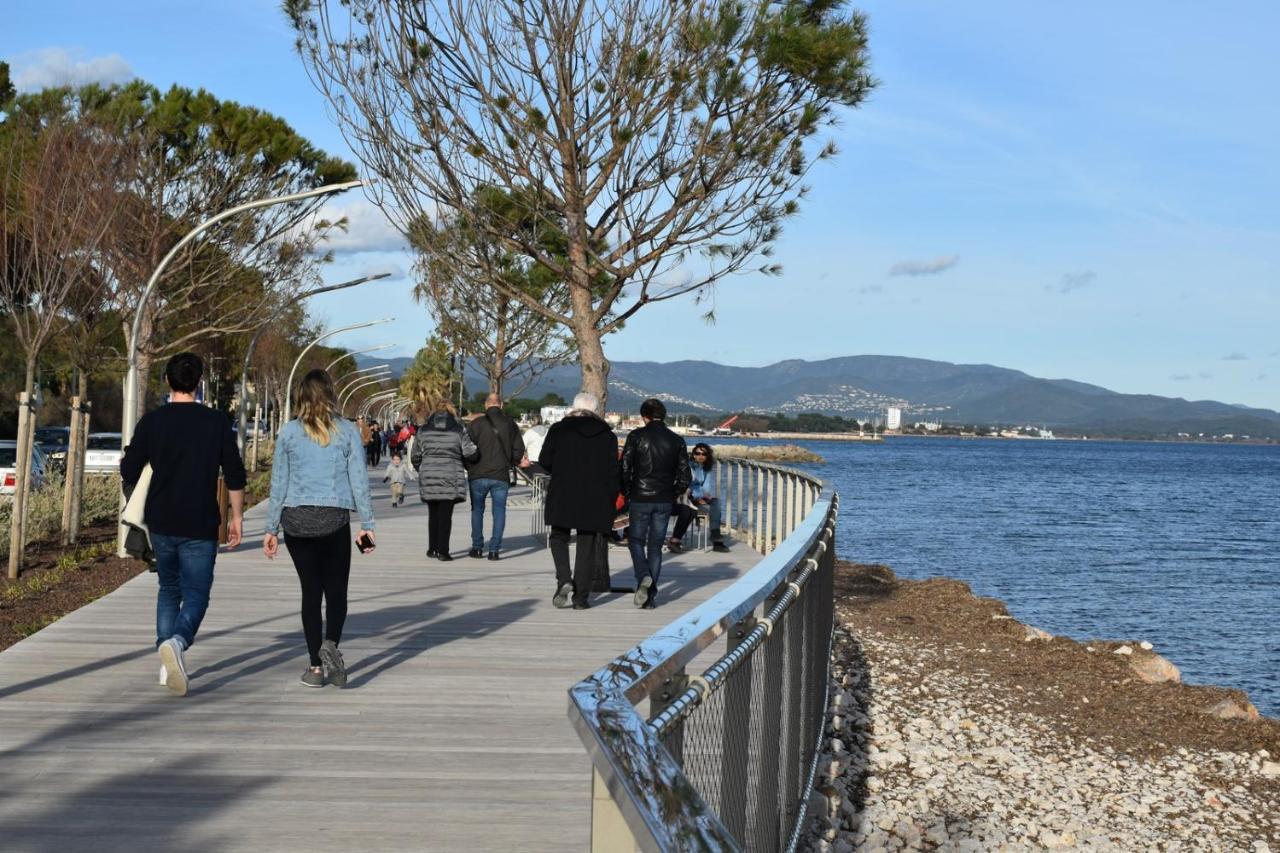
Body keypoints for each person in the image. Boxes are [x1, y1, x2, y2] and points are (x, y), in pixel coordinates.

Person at [120, 352, 246, 697]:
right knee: (197, 595)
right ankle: (177, 642)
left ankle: (166, 663)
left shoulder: (153, 421)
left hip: (161, 520)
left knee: (168, 589)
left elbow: (129, 471)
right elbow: (234, 474)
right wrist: (237, 517)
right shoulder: (217, 422)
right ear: (199, 383)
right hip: (200, 521)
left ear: (167, 381)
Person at [263, 370, 376, 688]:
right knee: (336, 591)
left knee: (310, 593)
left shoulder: (288, 433)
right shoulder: (347, 431)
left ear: (300, 396)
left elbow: (279, 484)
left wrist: (270, 528)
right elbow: (359, 480)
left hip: (296, 522)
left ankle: (315, 667)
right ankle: (331, 645)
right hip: (333, 520)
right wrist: (367, 524)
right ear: (330, 395)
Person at [539, 392, 618, 609]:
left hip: (563, 491)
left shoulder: (558, 430)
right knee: (588, 543)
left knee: (558, 536)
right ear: (596, 410)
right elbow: (613, 471)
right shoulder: (607, 435)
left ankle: (564, 578)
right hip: (595, 496)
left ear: (573, 407)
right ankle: (581, 598)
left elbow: (545, 461)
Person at [620, 398, 690, 609]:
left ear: (644, 416)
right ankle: (649, 598)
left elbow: (624, 467)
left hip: (640, 497)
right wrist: (673, 492)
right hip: (664, 499)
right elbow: (685, 475)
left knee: (635, 540)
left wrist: (627, 491)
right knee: (656, 547)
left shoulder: (636, 436)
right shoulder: (676, 440)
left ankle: (643, 576)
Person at [411, 399, 479, 561]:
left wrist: (422, 467)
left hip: (429, 474)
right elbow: (471, 453)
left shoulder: (423, 430)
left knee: (433, 513)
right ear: (451, 411)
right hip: (450, 475)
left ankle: (432, 548)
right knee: (445, 515)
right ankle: (443, 551)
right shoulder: (458, 429)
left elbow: (415, 455)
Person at [466, 393, 527, 560]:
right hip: (501, 475)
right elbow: (519, 449)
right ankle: (494, 550)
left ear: (486, 405)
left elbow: (466, 449)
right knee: (499, 511)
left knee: (477, 510)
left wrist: (470, 466)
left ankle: (477, 547)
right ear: (501, 405)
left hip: (477, 474)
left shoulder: (476, 424)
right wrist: (511, 462)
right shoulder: (510, 424)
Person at [668, 442, 730, 553]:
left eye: (703, 454)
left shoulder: (706, 470)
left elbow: (706, 488)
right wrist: (698, 497)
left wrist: (705, 497)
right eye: (697, 453)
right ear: (693, 455)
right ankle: (717, 542)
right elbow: (687, 485)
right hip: (686, 498)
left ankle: (716, 536)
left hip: (697, 499)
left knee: (716, 503)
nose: (700, 456)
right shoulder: (688, 467)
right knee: (708, 509)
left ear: (707, 456)